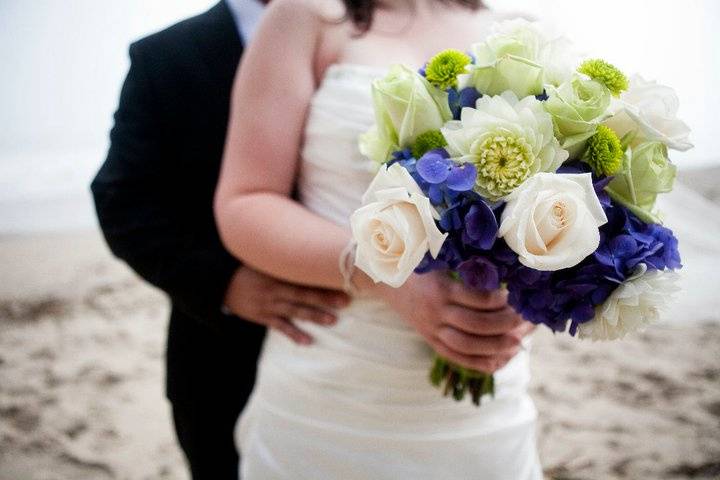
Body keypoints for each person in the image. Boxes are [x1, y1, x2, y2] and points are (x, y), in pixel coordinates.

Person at [215, 0, 541, 478]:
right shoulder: (303, 17)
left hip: (485, 411)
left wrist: (525, 303)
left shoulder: (521, 32)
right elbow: (245, 202)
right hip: (332, 392)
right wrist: (385, 277)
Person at [91, 1, 353, 478]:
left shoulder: (368, 31)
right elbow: (122, 200)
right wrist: (225, 284)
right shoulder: (165, 55)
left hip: (363, 353)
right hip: (221, 356)